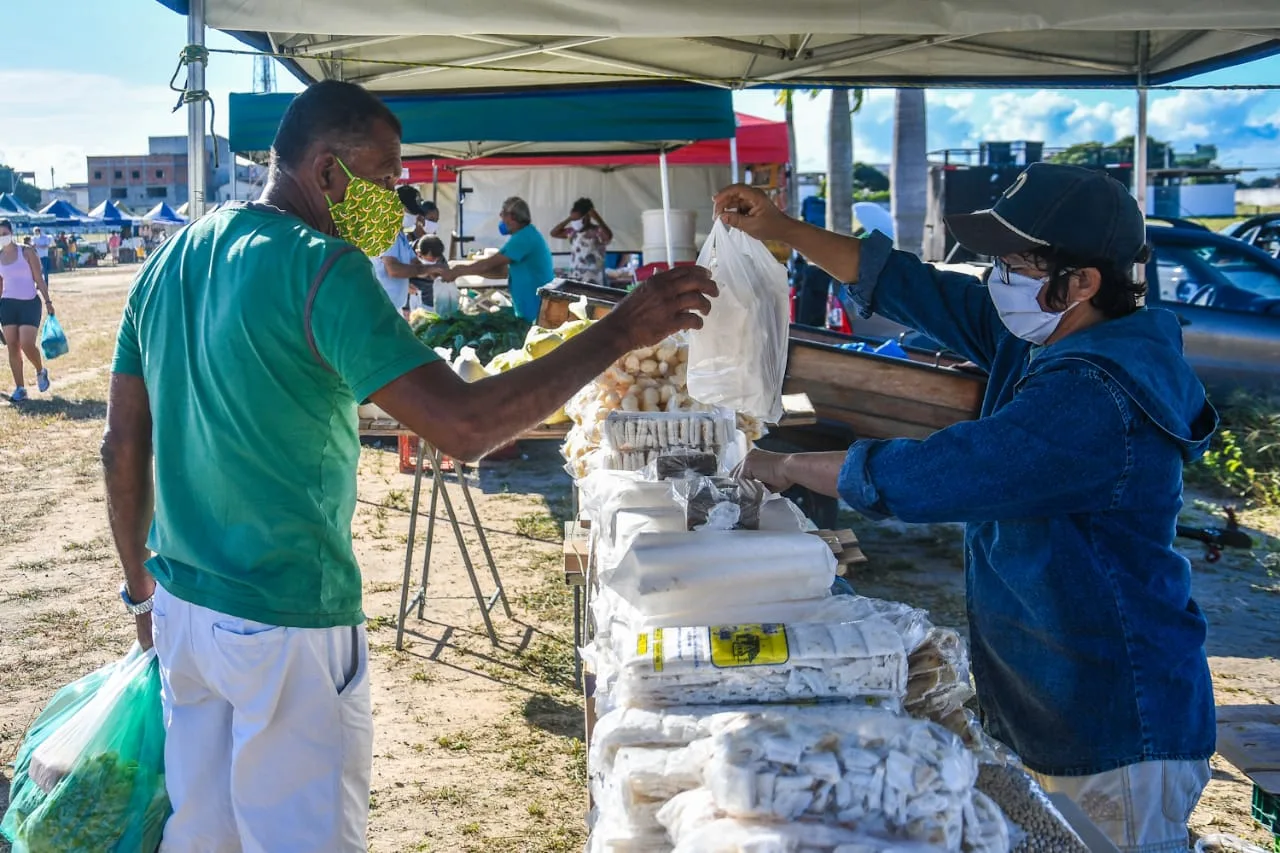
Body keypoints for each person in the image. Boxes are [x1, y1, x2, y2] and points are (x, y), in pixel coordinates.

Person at [101, 79, 715, 853]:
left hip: (183, 608)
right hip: (287, 621)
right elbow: (462, 427)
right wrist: (618, 331)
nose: (397, 198)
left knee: (203, 838)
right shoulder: (322, 268)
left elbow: (123, 445)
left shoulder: (168, 262)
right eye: (386, 176)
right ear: (327, 172)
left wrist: (139, 590)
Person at [719, 163, 1217, 853]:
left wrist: (782, 466)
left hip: (1114, 718)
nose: (999, 279)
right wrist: (780, 228)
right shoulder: (1049, 336)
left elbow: (942, 473)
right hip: (1051, 698)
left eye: (1016, 263)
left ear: (1081, 282)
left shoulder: (1097, 394)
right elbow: (914, 287)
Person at [427, 197, 553, 323]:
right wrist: (458, 270)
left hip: (535, 308)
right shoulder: (526, 235)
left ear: (512, 216)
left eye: (503, 213)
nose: (500, 217)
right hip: (532, 307)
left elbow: (488, 265)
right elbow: (501, 272)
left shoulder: (523, 238)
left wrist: (458, 271)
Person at [0, 219, 54, 401]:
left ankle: (40, 370)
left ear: (11, 233)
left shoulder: (26, 251)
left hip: (29, 303)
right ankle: (20, 388)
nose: (2, 238)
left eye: (4, 234)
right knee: (13, 347)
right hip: (7, 305)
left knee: (26, 343)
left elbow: (39, 278)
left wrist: (48, 301)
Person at [372, 185, 437, 318]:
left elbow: (414, 262)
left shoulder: (401, 235)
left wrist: (437, 271)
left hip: (393, 307)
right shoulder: (386, 232)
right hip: (380, 309)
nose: (415, 217)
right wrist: (426, 270)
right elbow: (393, 269)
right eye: (411, 212)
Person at [550, 197, 613, 286]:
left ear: (587, 218)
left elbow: (608, 236)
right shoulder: (572, 232)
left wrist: (597, 217)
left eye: (577, 219)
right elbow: (553, 233)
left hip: (594, 280)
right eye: (573, 220)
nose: (575, 222)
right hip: (576, 278)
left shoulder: (597, 231)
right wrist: (569, 219)